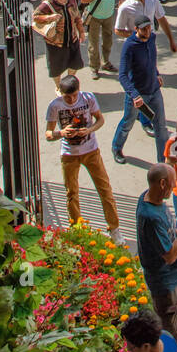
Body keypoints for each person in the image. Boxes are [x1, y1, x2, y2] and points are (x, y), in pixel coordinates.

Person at [45, 74, 123, 242]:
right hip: (69, 154)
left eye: (75, 95)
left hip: (91, 151)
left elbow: (100, 119)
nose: (72, 99)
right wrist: (61, 133)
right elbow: (48, 134)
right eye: (68, 97)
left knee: (105, 190)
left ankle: (114, 229)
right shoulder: (55, 106)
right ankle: (76, 229)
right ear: (61, 93)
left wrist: (89, 130)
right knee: (71, 193)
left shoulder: (88, 99)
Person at [135, 163, 177, 346]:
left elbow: (167, 234)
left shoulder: (149, 199)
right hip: (165, 281)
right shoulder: (151, 217)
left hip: (173, 275)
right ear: (162, 183)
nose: (174, 187)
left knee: (176, 316)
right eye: (172, 183)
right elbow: (170, 256)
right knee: (171, 330)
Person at [112, 0, 170, 163]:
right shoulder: (130, 46)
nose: (147, 31)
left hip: (154, 91)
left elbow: (152, 61)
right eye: (144, 29)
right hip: (137, 95)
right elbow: (122, 75)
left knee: (161, 127)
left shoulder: (151, 39)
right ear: (136, 29)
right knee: (127, 123)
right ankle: (116, 148)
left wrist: (158, 74)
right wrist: (134, 95)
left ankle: (162, 163)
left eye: (148, 27)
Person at [32, 0, 85, 87]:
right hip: (55, 41)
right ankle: (59, 86)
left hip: (71, 37)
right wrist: (49, 17)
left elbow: (77, 16)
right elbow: (35, 17)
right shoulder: (49, 2)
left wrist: (81, 32)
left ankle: (69, 83)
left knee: (75, 63)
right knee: (56, 67)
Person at [80, 0, 120, 79]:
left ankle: (106, 62)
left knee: (108, 40)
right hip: (95, 17)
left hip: (108, 15)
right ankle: (94, 67)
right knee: (94, 43)